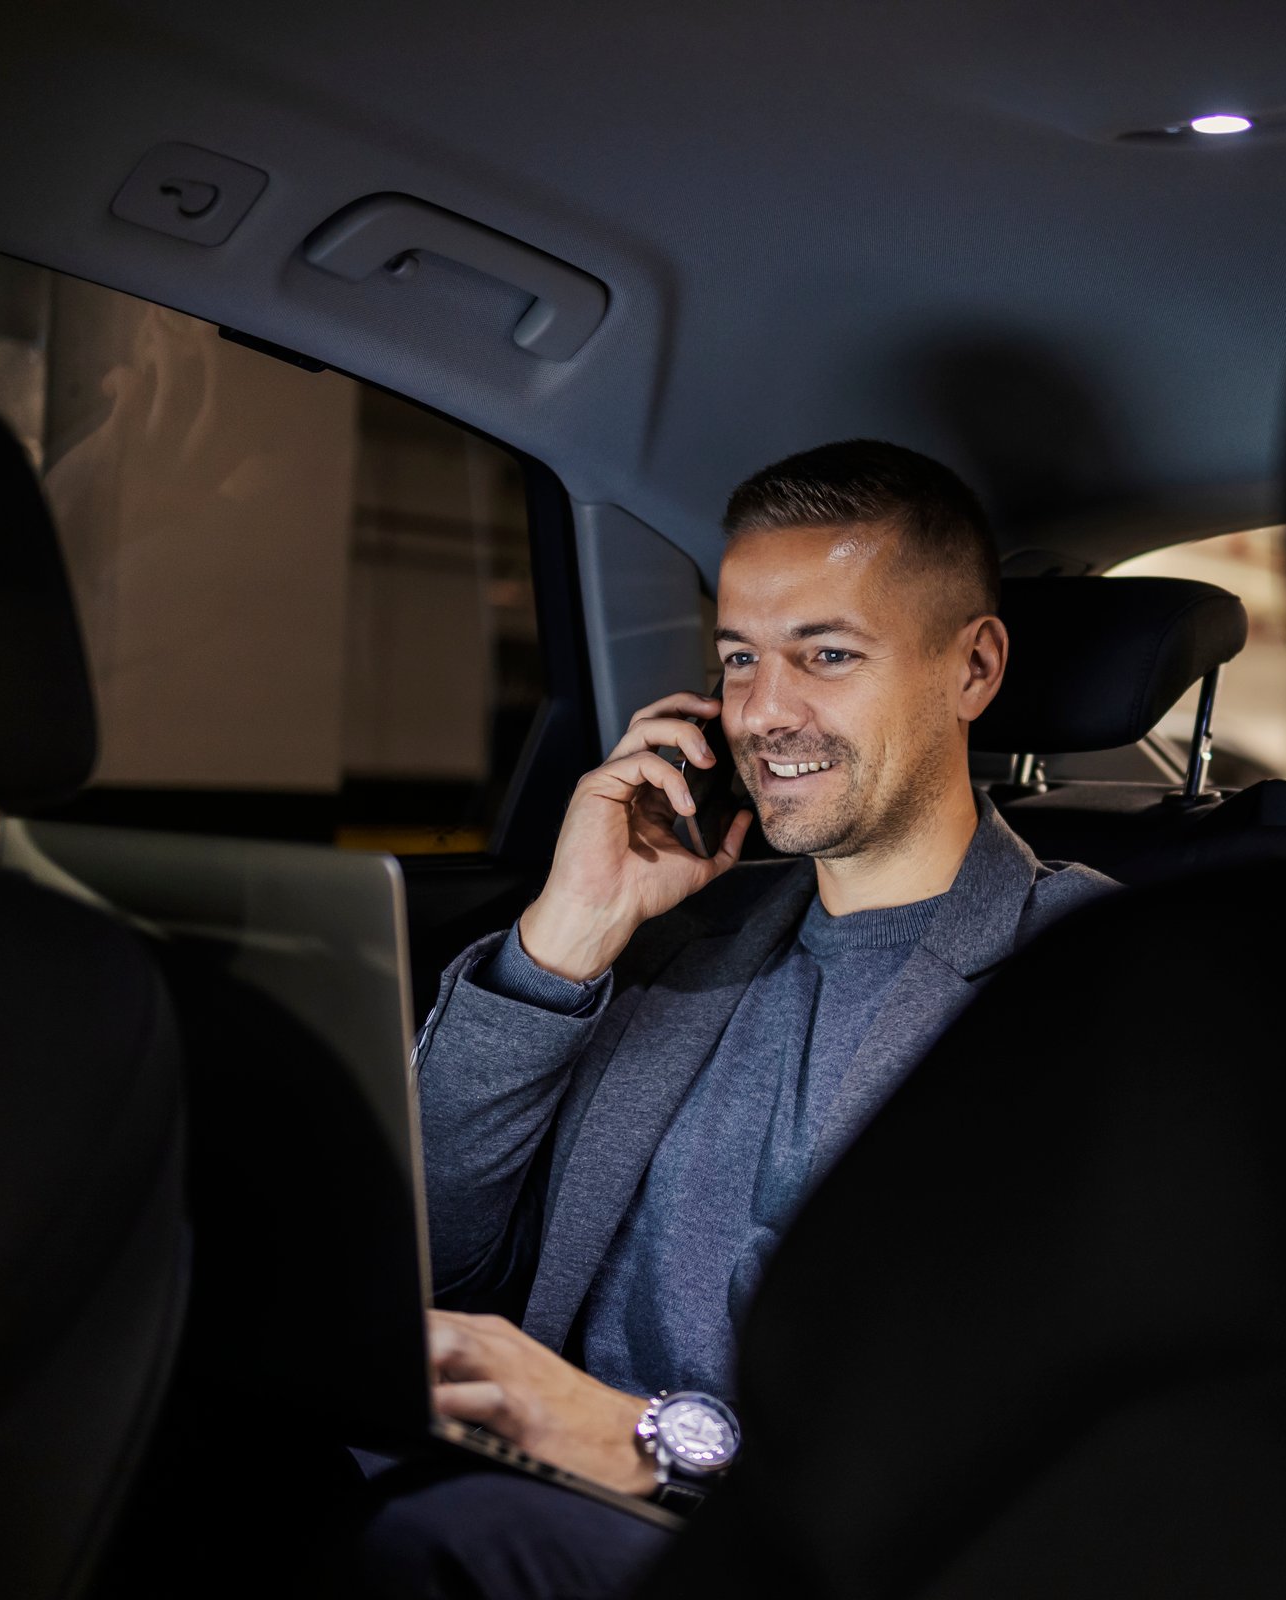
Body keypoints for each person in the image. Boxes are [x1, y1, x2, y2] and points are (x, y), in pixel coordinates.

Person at [358, 440, 1116, 1597]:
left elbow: (1032, 1449)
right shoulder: (679, 936)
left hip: (797, 1555)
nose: (765, 714)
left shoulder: (1090, 982)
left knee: (434, 1542)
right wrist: (565, 934)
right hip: (518, 1489)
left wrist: (639, 1440)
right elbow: (433, 1251)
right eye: (738, 660)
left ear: (973, 668)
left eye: (825, 654)